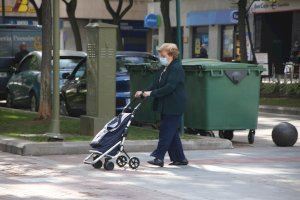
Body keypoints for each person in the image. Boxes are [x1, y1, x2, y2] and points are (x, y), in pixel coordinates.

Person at [135, 43, 188, 167]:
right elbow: (156, 84)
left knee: (166, 132)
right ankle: (180, 159)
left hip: (174, 105)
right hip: (166, 105)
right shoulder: (164, 68)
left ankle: (158, 158)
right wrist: (143, 92)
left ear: (170, 55)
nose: (160, 57)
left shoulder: (176, 68)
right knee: (171, 132)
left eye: (162, 54)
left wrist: (150, 93)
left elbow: (169, 87)